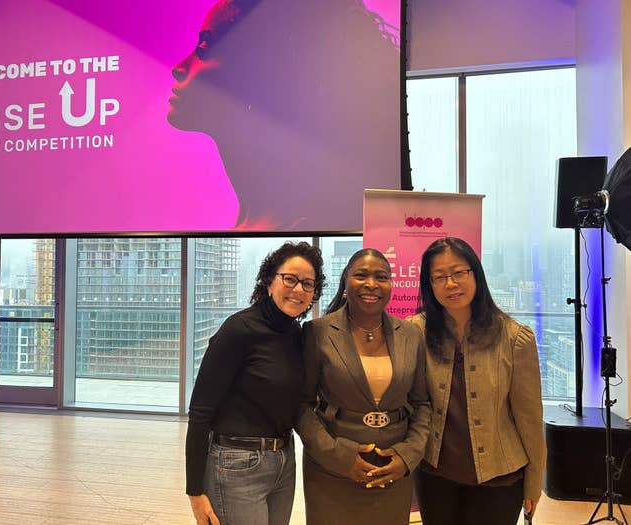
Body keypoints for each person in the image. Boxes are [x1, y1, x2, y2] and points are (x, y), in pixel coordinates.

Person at [167, 0, 404, 231]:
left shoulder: (306, 222)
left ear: (257, 74)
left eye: (206, 46)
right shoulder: (265, 220)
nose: (178, 68)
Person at [185, 241, 325, 525]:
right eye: (290, 279)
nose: (298, 289)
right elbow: (200, 411)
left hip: (284, 460)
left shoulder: (299, 335)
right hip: (236, 465)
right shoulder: (239, 330)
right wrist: (194, 491)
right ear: (269, 281)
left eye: (308, 284)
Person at [409, 237, 546, 525]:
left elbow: (529, 418)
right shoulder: (414, 333)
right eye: (440, 277)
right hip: (435, 474)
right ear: (429, 285)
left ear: (476, 274)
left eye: (459, 272)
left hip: (500, 477)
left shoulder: (514, 338)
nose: (451, 284)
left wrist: (534, 481)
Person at [296, 248, 430, 525]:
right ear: (346, 281)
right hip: (331, 472)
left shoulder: (411, 334)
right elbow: (301, 405)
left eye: (381, 277)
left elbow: (422, 404)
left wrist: (408, 456)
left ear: (391, 285)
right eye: (361, 275)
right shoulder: (317, 332)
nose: (371, 284)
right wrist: (338, 456)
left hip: (392, 470)